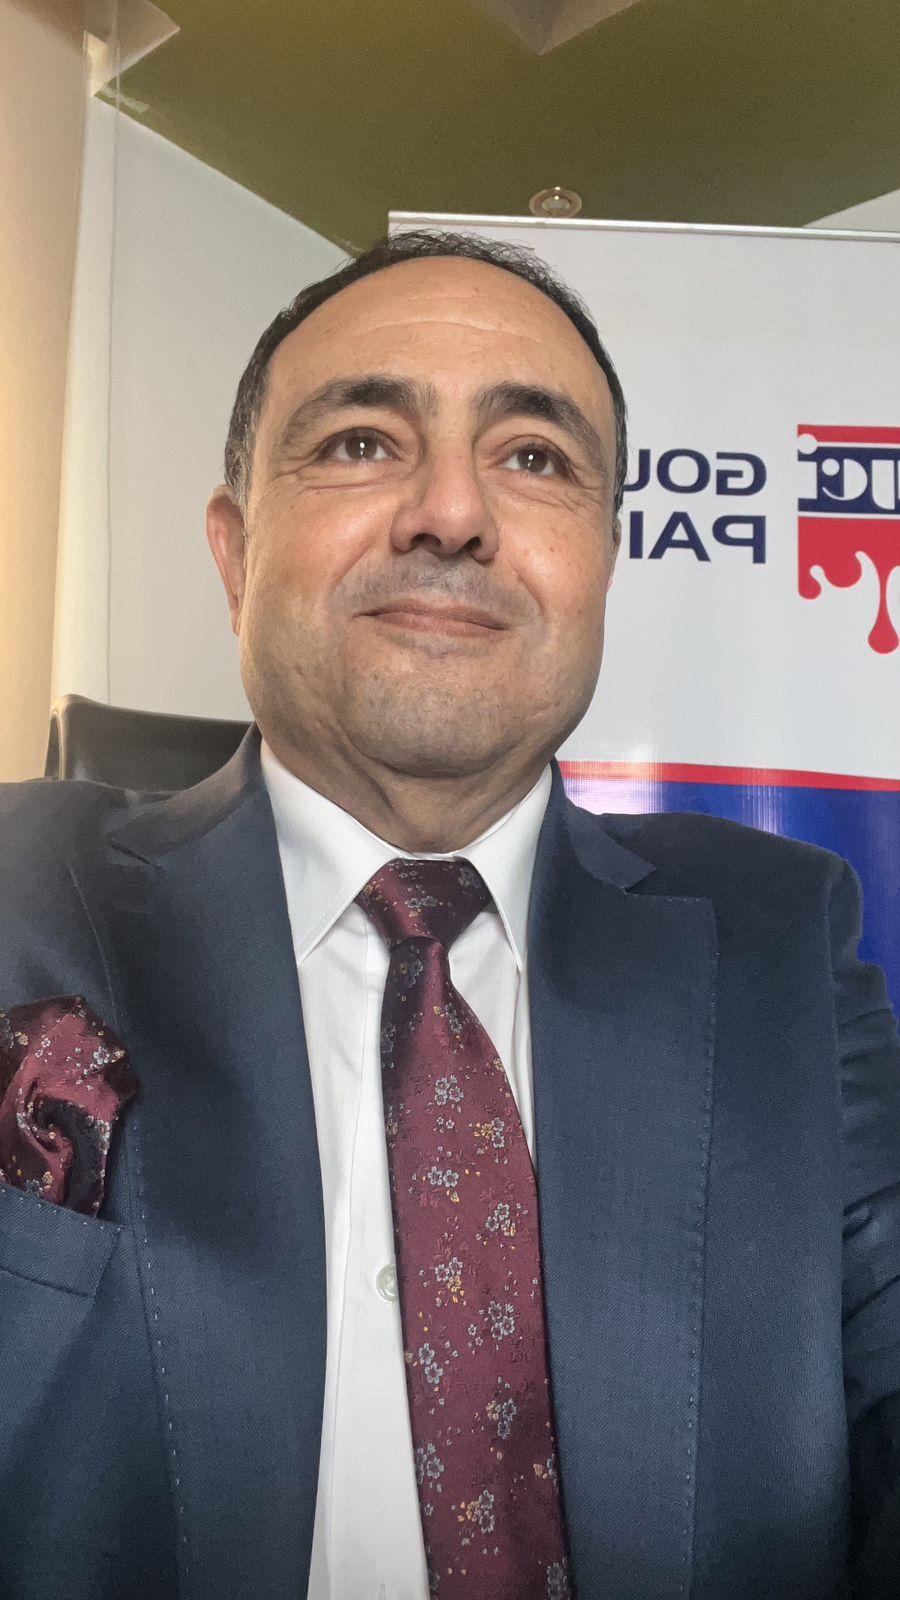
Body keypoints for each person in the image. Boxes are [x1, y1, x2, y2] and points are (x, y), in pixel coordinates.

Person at [0, 229, 897, 1600]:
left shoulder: (777, 933)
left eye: (533, 457)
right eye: (362, 441)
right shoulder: (18, 890)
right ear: (235, 553)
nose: (452, 512)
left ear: (604, 561)